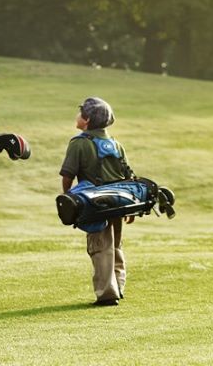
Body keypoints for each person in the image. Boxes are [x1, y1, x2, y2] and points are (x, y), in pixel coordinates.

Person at [59, 97, 135, 306]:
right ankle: (118, 286)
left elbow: (68, 176)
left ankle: (107, 294)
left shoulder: (79, 143)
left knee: (100, 247)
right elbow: (127, 176)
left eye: (81, 113)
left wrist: (69, 203)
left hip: (95, 204)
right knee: (116, 245)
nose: (77, 116)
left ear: (87, 119)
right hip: (119, 202)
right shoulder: (116, 144)